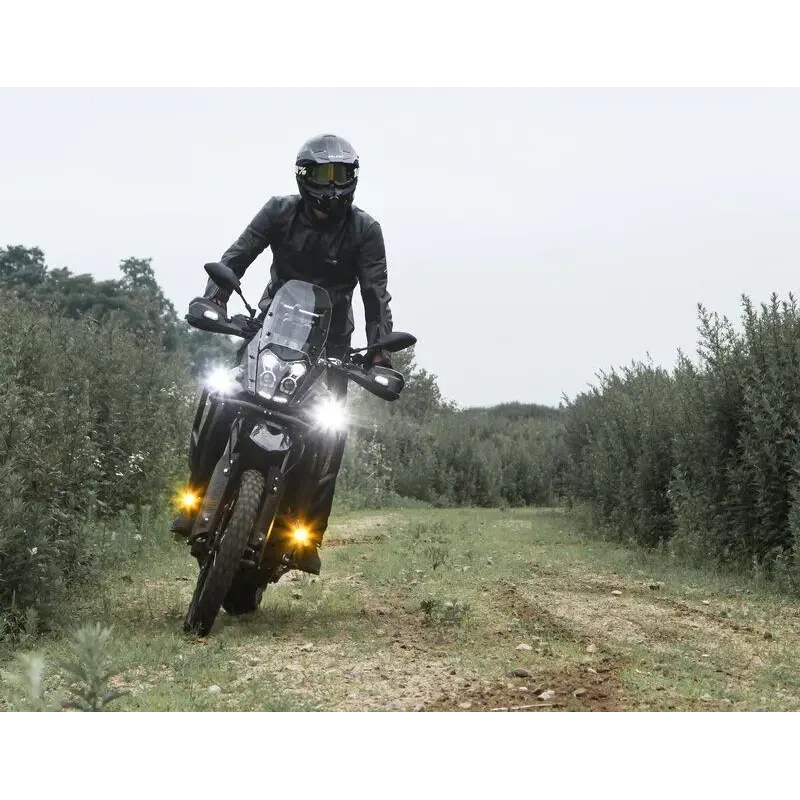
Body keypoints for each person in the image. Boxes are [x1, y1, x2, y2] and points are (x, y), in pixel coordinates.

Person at [172, 133, 394, 575]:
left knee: (331, 434)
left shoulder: (365, 230)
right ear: (304, 176)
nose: (332, 185)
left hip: (330, 347)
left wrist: (380, 356)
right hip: (270, 330)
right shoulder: (278, 211)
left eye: (341, 174)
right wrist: (215, 298)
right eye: (323, 174)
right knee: (224, 398)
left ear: (353, 177)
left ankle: (308, 534)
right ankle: (194, 497)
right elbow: (237, 257)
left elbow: (376, 295)